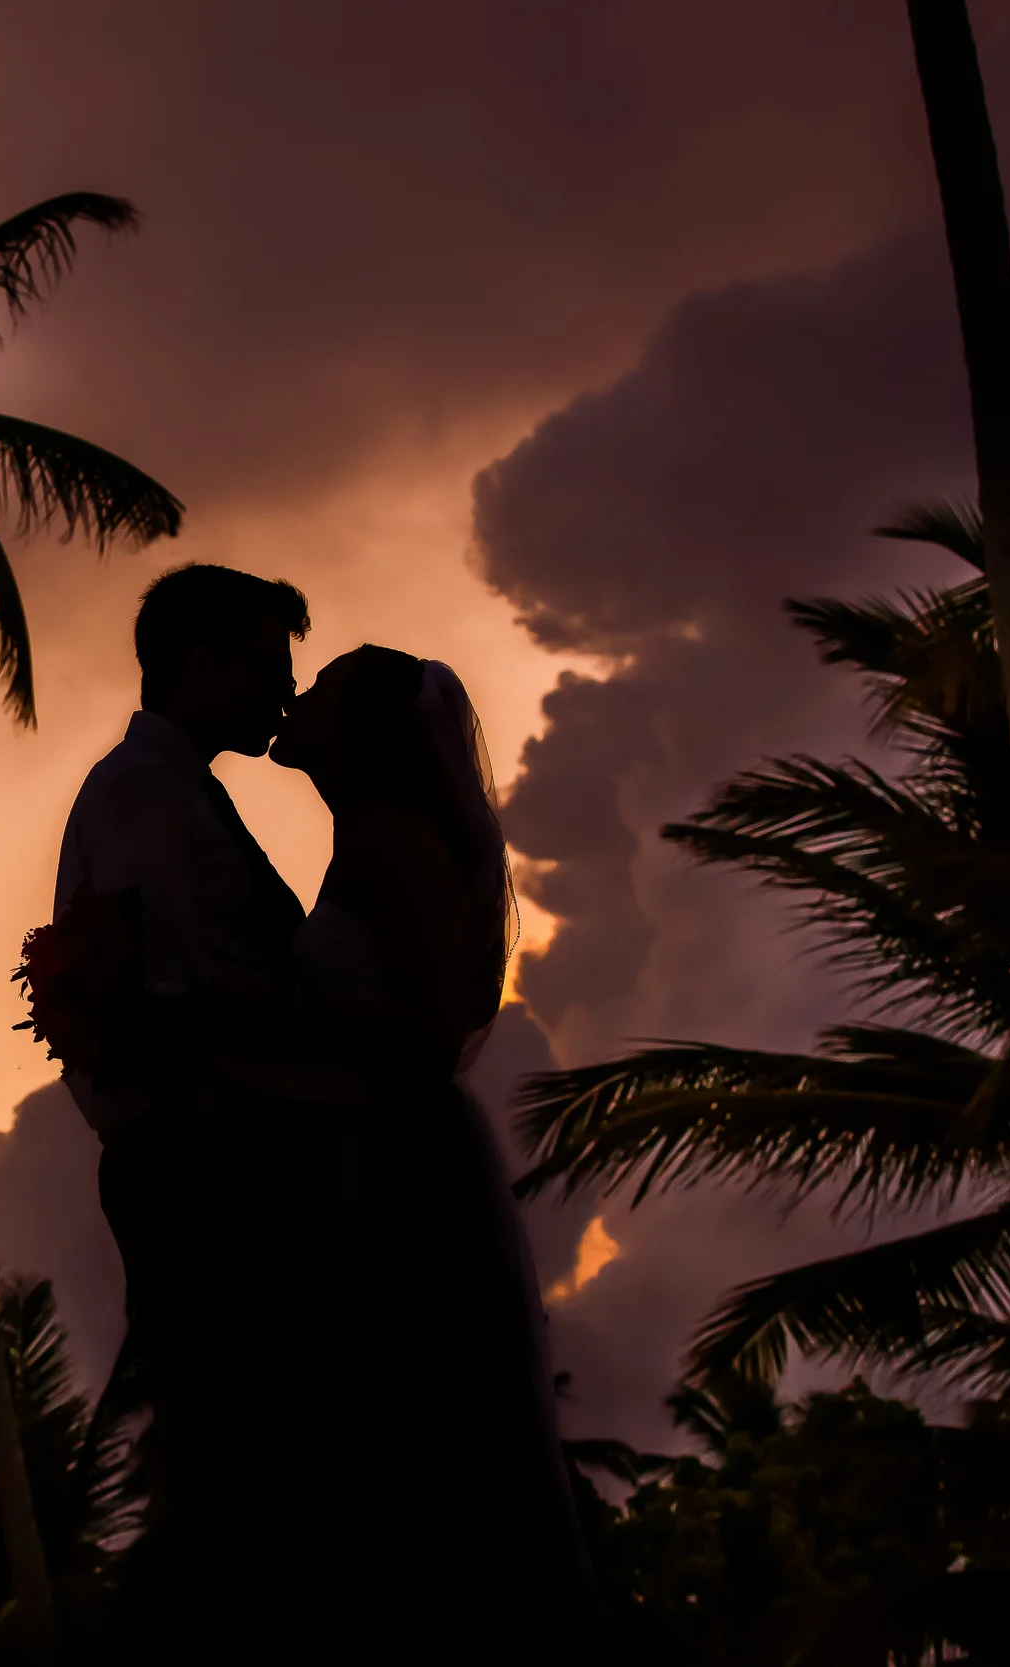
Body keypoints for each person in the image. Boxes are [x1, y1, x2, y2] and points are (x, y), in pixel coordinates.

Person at [271, 643, 620, 1664]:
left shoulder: (387, 839)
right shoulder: (369, 836)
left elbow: (418, 1024)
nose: (299, 696)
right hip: (387, 1138)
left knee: (413, 1428)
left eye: (324, 687)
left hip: (401, 1154)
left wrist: (231, 1010)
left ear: (370, 729)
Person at [51, 563, 344, 1649]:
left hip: (217, 1150)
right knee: (230, 1451)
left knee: (242, 1449)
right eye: (269, 665)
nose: (283, 691)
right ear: (202, 660)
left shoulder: (170, 788)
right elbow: (167, 993)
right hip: (207, 1160)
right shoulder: (144, 793)